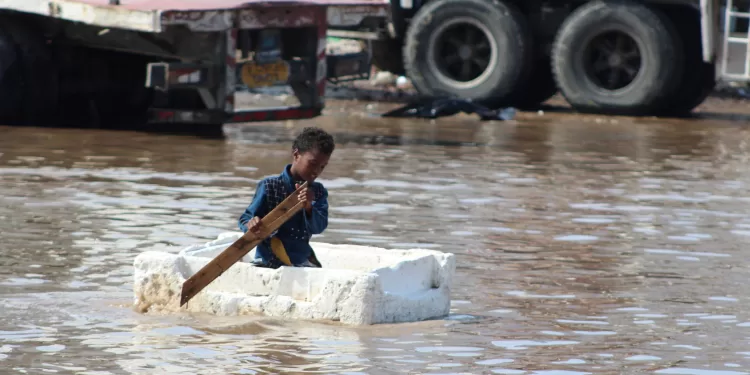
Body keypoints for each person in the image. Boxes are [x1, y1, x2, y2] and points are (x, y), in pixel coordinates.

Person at [238, 127, 335, 268]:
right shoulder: (269, 186)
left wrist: (308, 207)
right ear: (296, 155)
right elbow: (245, 219)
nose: (316, 171)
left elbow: (319, 227)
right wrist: (251, 224)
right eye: (312, 164)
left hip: (301, 260)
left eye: (322, 167)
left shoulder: (318, 192)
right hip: (268, 260)